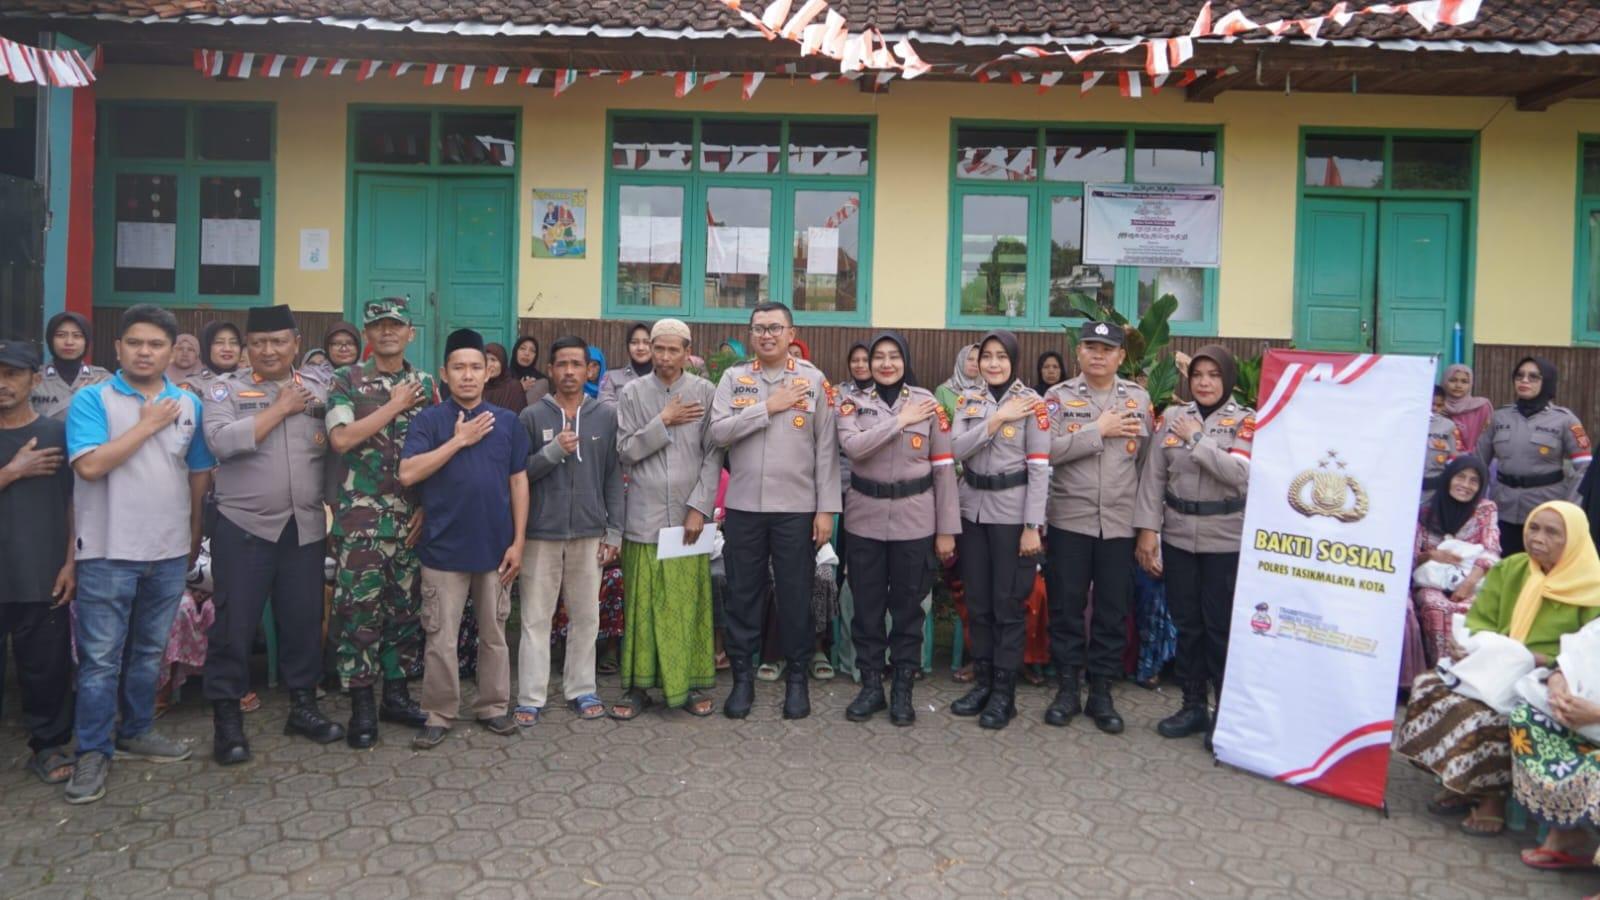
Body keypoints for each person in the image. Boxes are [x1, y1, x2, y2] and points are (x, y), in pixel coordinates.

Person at [65, 304, 215, 803]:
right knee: (101, 659)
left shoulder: (189, 405)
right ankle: (91, 751)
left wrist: (193, 533)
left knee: (149, 651)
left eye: (155, 345)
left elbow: (196, 476)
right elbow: (89, 467)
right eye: (135, 343)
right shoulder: (92, 401)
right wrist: (148, 424)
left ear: (172, 351)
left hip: (168, 550)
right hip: (107, 549)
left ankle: (137, 729)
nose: (145, 352)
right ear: (117, 348)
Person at [1395, 501, 1600, 837]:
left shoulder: (1591, 588)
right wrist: (1469, 643)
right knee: (1430, 688)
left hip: (1550, 677)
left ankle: (1492, 798)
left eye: (1551, 532)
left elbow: (1588, 653)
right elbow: (1481, 619)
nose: (1537, 538)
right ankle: (1459, 781)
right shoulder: (1513, 568)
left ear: (1573, 540)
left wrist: (1540, 661)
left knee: (1489, 714)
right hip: (1496, 661)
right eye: (1534, 527)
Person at [202, 305, 343, 764]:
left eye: (279, 341)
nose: (269, 350)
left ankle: (303, 706)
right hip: (244, 528)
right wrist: (280, 408)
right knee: (233, 628)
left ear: (296, 343)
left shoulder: (320, 386)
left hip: (303, 526)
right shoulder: (225, 389)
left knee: (302, 622)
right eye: (259, 342)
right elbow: (220, 442)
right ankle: (227, 721)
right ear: (247, 346)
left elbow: (335, 451)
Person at [708, 302, 842, 720]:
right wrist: (768, 407)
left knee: (795, 595)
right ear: (750, 334)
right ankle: (743, 679)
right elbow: (717, 432)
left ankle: (797, 678)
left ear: (790, 333)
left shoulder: (813, 380)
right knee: (743, 595)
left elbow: (826, 451)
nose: (767, 335)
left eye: (775, 328)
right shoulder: (734, 378)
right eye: (759, 328)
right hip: (745, 507)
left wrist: (826, 511)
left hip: (797, 509)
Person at [399, 328, 529, 749]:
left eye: (476, 367)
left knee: (494, 634)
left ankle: (492, 706)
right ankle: (438, 712)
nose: (468, 376)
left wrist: (519, 542)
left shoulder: (507, 422)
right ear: (444, 373)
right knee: (441, 636)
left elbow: (518, 482)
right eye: (459, 368)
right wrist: (458, 440)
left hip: (495, 550)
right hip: (442, 549)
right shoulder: (430, 420)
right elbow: (408, 473)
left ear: (488, 372)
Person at [326, 298, 435, 747]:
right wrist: (393, 406)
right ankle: (362, 704)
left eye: (396, 325)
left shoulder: (427, 383)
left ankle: (396, 693)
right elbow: (342, 439)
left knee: (405, 611)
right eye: (378, 326)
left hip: (410, 517)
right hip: (362, 520)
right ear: (367, 336)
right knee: (359, 613)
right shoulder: (345, 380)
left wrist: (428, 507)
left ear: (411, 332)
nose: (387, 332)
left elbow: (438, 448)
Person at [838, 332, 959, 726]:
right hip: (865, 519)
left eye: (893, 357)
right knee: (867, 608)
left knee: (909, 610)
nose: (886, 364)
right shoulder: (851, 402)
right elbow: (854, 448)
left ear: (905, 360)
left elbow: (943, 469)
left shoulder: (929, 405)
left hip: (915, 520)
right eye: (878, 358)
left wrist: (946, 530)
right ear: (869, 364)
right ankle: (871, 685)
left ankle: (903, 687)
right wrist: (899, 423)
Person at [1133, 345, 1253, 746]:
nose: (1204, 382)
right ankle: (1192, 705)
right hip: (1180, 534)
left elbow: (1240, 475)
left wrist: (1199, 439)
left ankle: (1225, 711)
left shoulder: (1246, 421)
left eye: (1213, 375)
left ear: (1227, 380)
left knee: (1218, 627)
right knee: (1187, 625)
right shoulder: (1172, 419)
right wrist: (1148, 532)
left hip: (1225, 537)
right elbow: (1153, 479)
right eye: (1198, 375)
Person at [1041, 322, 1153, 734]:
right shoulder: (1058, 397)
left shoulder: (1138, 400)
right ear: (1078, 353)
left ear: (1121, 356)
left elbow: (1148, 466)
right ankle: (1068, 688)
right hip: (1071, 519)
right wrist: (1096, 431)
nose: (1098, 354)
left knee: (1111, 610)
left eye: (1107, 348)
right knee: (1066, 608)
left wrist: (1147, 528)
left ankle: (1101, 692)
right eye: (1090, 347)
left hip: (1120, 524)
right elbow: (1046, 451)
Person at [610, 319, 724, 720]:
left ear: (688, 351)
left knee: (685, 602)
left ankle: (688, 684)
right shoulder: (632, 393)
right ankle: (639, 686)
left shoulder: (706, 392)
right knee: (642, 604)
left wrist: (700, 507)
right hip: (643, 516)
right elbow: (625, 450)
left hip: (688, 519)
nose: (665, 357)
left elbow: (714, 454)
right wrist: (664, 420)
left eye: (674, 350)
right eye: (658, 349)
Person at [516, 336, 624, 725]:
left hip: (589, 533)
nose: (569, 372)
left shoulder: (604, 417)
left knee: (586, 616)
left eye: (576, 364)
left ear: (589, 370)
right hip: (540, 534)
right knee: (535, 617)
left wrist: (614, 532)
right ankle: (531, 695)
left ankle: (581, 688)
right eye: (561, 364)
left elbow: (613, 477)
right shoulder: (531, 417)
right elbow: (519, 475)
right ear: (550, 369)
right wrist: (552, 453)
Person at [947, 330, 1049, 730]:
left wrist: (1031, 527)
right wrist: (995, 421)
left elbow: (1040, 468)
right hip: (973, 511)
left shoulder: (1034, 404)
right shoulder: (967, 400)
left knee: (1008, 606)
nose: (992, 363)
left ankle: (1005, 693)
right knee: (979, 602)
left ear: (1013, 360)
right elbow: (956, 450)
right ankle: (984, 682)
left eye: (1000, 357)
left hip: (1012, 514)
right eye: (986, 356)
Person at [0, 339, 77, 785]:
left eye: (12, 374)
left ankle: (47, 747)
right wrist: (13, 471)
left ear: (35, 378)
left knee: (46, 669)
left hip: (43, 572)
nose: (3, 384)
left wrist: (72, 563)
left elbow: (74, 504)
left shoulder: (55, 434)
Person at [1509, 624, 1600, 870]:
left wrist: (1596, 714)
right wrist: (1558, 682)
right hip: (1584, 724)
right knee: (1527, 720)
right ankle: (1564, 831)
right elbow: (1578, 654)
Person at [1478, 357, 1590, 558]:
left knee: (1541, 567)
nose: (1524, 381)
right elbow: (1477, 463)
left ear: (1547, 382)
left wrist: (1569, 508)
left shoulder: (1565, 420)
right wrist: (1479, 503)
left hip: (1546, 511)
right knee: (1504, 566)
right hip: (1503, 507)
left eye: (1533, 377)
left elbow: (1584, 468)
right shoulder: (1500, 417)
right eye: (1519, 376)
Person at [1412, 455, 1501, 668]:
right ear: (1449, 478)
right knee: (1436, 607)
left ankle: (1465, 673)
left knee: (1471, 609)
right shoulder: (1426, 511)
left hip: (1474, 580)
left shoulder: (1485, 509)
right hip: (1431, 582)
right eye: (1460, 477)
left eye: (1474, 481)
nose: (1466, 485)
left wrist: (1468, 584)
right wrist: (1432, 555)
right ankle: (1439, 671)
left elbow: (1491, 549)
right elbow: (1413, 555)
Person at [31, 311, 111, 421]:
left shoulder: (102, 378)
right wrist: (77, 399)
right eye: (61, 335)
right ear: (50, 339)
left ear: (86, 341)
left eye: (77, 336)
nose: (69, 342)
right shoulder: (33, 379)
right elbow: (27, 423)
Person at [1422, 385, 1466, 504]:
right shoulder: (1409, 423)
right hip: (1408, 487)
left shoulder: (1448, 426)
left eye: (1439, 405)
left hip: (1434, 490)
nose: (1435, 408)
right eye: (1431, 404)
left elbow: (1454, 458)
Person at [1442, 363, 1494, 452]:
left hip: (1473, 461)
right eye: (1453, 380)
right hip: (1438, 460)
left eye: (1464, 381)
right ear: (1444, 381)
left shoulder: (1481, 407)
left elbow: (1489, 438)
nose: (1458, 385)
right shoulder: (1436, 406)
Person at [598, 322, 653, 406]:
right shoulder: (612, 377)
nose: (640, 348)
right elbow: (605, 408)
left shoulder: (663, 377)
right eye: (634, 342)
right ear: (627, 346)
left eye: (646, 342)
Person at [483, 343, 529, 413]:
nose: (489, 364)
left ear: (502, 363)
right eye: (485, 360)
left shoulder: (514, 387)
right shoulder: (478, 386)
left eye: (493, 360)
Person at [509, 336, 549, 404]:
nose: (527, 353)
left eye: (532, 351)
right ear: (515, 351)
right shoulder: (503, 377)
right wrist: (518, 389)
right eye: (522, 348)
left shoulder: (540, 381)